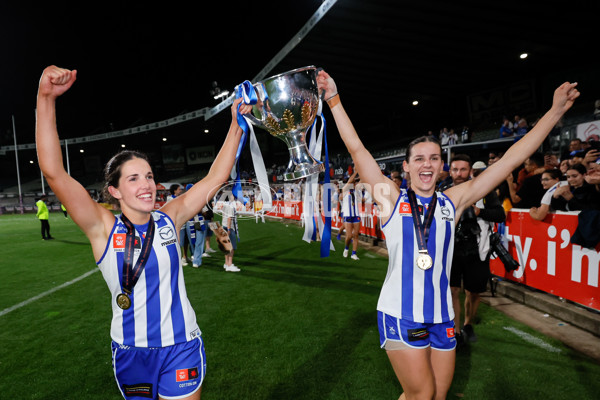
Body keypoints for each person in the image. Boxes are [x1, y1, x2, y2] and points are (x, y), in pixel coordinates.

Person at [317, 68, 579, 400]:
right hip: (401, 312)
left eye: (434, 158)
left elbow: (512, 159)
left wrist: (554, 112)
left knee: (437, 395)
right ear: (408, 166)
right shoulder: (390, 198)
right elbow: (357, 149)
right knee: (422, 394)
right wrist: (334, 99)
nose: (427, 164)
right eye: (419, 159)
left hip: (443, 316)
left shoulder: (453, 202)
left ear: (442, 165)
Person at [35, 65, 252, 400]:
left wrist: (236, 124)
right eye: (134, 179)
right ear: (115, 191)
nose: (147, 184)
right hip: (131, 352)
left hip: (180, 345)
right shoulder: (102, 227)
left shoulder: (170, 217)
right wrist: (45, 98)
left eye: (149, 176)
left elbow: (215, 178)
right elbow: (53, 172)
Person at [446, 156, 505, 345]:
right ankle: (455, 331)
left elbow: (500, 215)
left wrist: (479, 211)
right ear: (450, 171)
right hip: (451, 249)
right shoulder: (442, 191)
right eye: (455, 169)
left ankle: (468, 324)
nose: (459, 174)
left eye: (463, 169)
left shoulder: (484, 190)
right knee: (453, 290)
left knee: (473, 291)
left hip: (477, 249)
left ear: (470, 170)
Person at [341, 170, 361, 260]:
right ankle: (346, 248)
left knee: (356, 235)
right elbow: (350, 180)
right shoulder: (344, 190)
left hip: (356, 214)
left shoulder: (356, 191)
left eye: (354, 182)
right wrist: (356, 171)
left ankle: (354, 253)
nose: (353, 183)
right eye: (352, 181)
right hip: (348, 215)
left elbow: (362, 181)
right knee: (349, 236)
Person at [221, 200, 241, 271]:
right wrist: (229, 229)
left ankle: (226, 263)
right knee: (231, 247)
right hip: (229, 228)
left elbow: (224, 216)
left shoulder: (224, 204)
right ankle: (230, 264)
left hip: (224, 225)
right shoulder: (231, 206)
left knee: (226, 246)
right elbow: (229, 218)